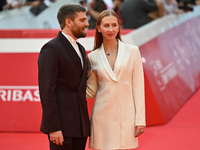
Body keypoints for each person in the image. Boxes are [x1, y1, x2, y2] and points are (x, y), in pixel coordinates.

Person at [86, 9, 146, 150]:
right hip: (102, 117)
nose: (110, 29)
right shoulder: (92, 57)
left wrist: (140, 120)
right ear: (99, 28)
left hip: (127, 116)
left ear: (119, 27)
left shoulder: (133, 51)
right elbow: (91, 91)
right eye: (106, 26)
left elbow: (138, 86)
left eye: (114, 25)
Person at [38, 4, 90, 150]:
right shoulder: (52, 48)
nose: (87, 23)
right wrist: (53, 127)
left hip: (80, 126)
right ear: (69, 22)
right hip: (61, 127)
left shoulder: (80, 48)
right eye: (82, 20)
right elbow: (47, 91)